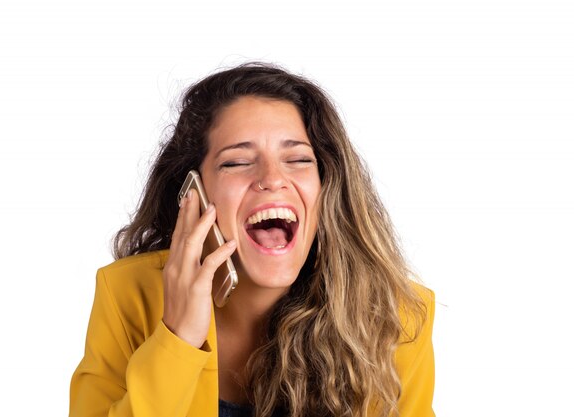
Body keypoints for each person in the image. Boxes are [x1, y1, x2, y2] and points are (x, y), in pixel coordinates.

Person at [69, 62, 436, 417]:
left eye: (298, 159)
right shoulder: (127, 296)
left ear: (326, 187)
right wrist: (177, 340)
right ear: (194, 195)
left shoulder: (396, 317)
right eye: (236, 162)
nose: (272, 178)